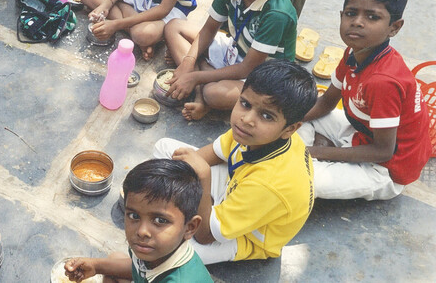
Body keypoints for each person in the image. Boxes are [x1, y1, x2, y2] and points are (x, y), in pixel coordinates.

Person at [154, 60, 317, 264]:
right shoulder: (251, 131)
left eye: (266, 116)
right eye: (245, 104)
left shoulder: (269, 184)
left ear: (290, 129)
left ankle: (202, 207)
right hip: (237, 184)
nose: (247, 119)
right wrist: (191, 173)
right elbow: (212, 153)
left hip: (247, 236)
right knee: (165, 147)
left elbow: (204, 236)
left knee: (171, 252)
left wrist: (202, 178)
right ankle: (204, 206)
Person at [298, 0, 430, 200]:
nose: (357, 22)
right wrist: (288, 120)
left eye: (372, 17)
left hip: (386, 167)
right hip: (362, 132)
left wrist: (314, 153)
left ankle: (322, 152)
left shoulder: (383, 81)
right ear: (341, 15)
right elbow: (326, 103)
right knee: (292, 112)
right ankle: (325, 150)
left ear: (394, 27)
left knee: (302, 179)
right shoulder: (353, 52)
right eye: (351, 13)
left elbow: (382, 151)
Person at [163, 0, 297, 121]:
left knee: (214, 94)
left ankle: (202, 91)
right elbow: (208, 29)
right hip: (235, 52)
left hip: (262, 76)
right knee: (174, 27)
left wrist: (192, 74)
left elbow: (247, 69)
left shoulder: (277, 13)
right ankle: (201, 82)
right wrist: (189, 62)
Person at [63, 159, 212, 282]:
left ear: (190, 227)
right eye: (134, 216)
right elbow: (138, 268)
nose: (142, 231)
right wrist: (95, 266)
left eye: (160, 220)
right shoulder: (151, 249)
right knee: (113, 261)